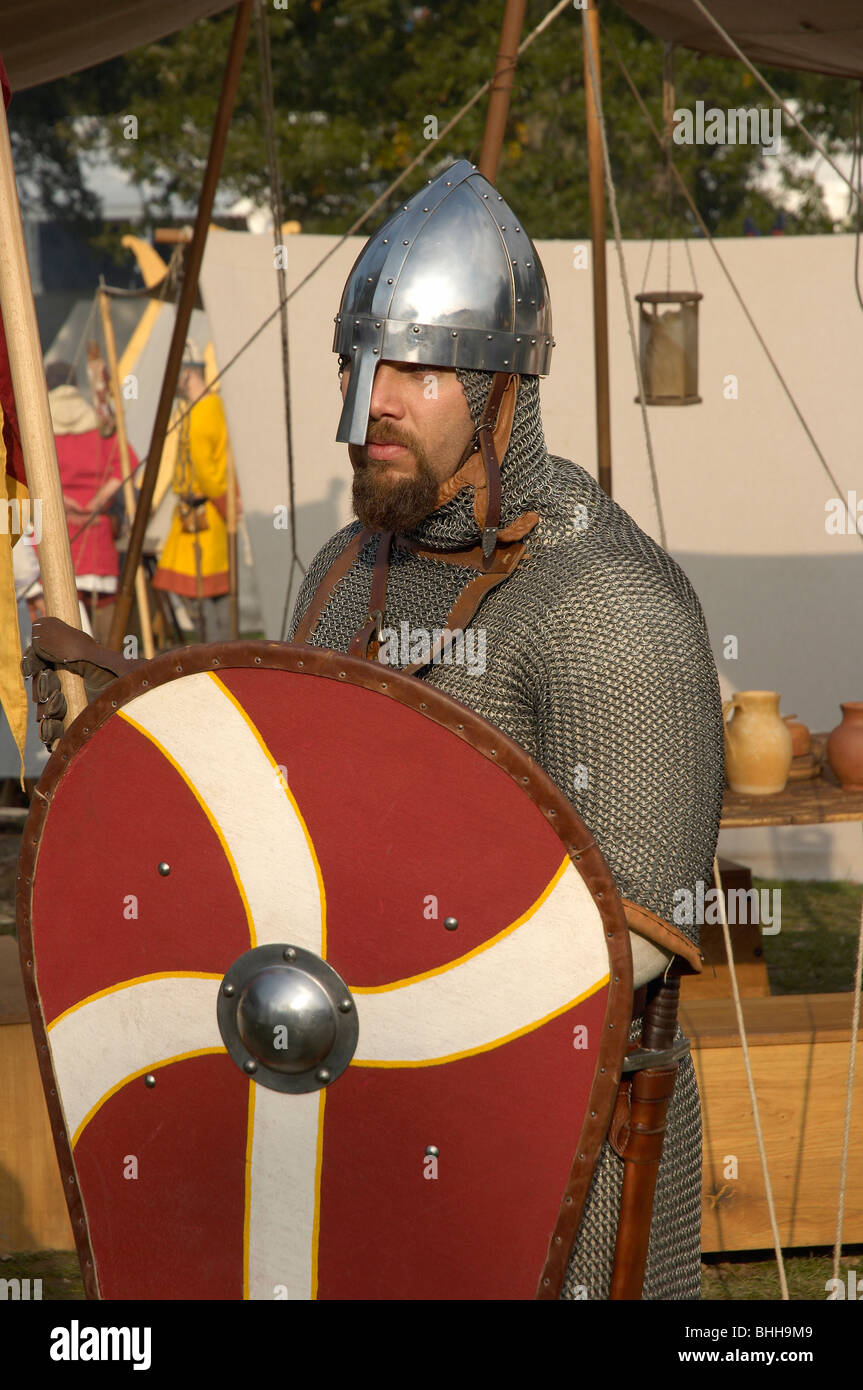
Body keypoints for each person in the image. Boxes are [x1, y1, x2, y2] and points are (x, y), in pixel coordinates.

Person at [23, 161, 723, 1300]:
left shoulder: (608, 605)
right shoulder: (349, 571)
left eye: (411, 367)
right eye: (358, 361)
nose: (371, 400)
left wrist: (399, 988)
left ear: (502, 391)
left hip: (541, 1152)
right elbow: (285, 833)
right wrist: (131, 744)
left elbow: (624, 939)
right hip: (351, 1117)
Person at [45, 361, 131, 645]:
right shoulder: (99, 425)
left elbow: (33, 477)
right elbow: (125, 464)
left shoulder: (40, 428)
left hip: (60, 529)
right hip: (97, 528)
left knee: (63, 613)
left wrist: (64, 501)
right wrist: (98, 500)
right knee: (104, 622)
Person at [151, 341, 231, 641]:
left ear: (186, 374)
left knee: (209, 594)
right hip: (192, 515)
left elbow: (207, 470)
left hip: (208, 515)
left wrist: (225, 505)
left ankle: (216, 653)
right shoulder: (196, 409)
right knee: (195, 593)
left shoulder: (206, 409)